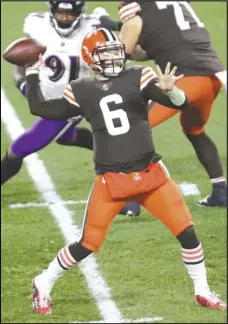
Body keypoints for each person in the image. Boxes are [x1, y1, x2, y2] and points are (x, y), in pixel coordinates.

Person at [24, 28, 226, 313]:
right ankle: (43, 281)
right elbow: (41, 108)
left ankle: (202, 290)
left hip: (151, 175)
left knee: (187, 232)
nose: (115, 57)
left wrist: (173, 90)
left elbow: (179, 102)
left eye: (116, 50)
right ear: (91, 58)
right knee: (87, 244)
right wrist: (32, 73)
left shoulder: (138, 76)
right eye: (106, 53)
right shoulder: (81, 89)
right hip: (112, 182)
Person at [1, 1, 138, 215]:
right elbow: (23, 58)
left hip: (72, 100)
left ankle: (127, 194)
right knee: (66, 137)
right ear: (52, 10)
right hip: (43, 94)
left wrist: (114, 24)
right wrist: (25, 84)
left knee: (21, 148)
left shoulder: (92, 27)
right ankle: (114, 152)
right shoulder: (36, 24)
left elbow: (126, 46)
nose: (65, 18)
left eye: (70, 13)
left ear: (80, 12)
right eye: (60, 12)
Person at [118, 1, 227, 209]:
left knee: (131, 127)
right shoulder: (173, 6)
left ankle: (133, 199)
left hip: (185, 81)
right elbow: (154, 44)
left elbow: (123, 52)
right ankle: (221, 190)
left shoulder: (136, 12)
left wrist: (111, 33)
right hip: (212, 77)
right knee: (195, 130)